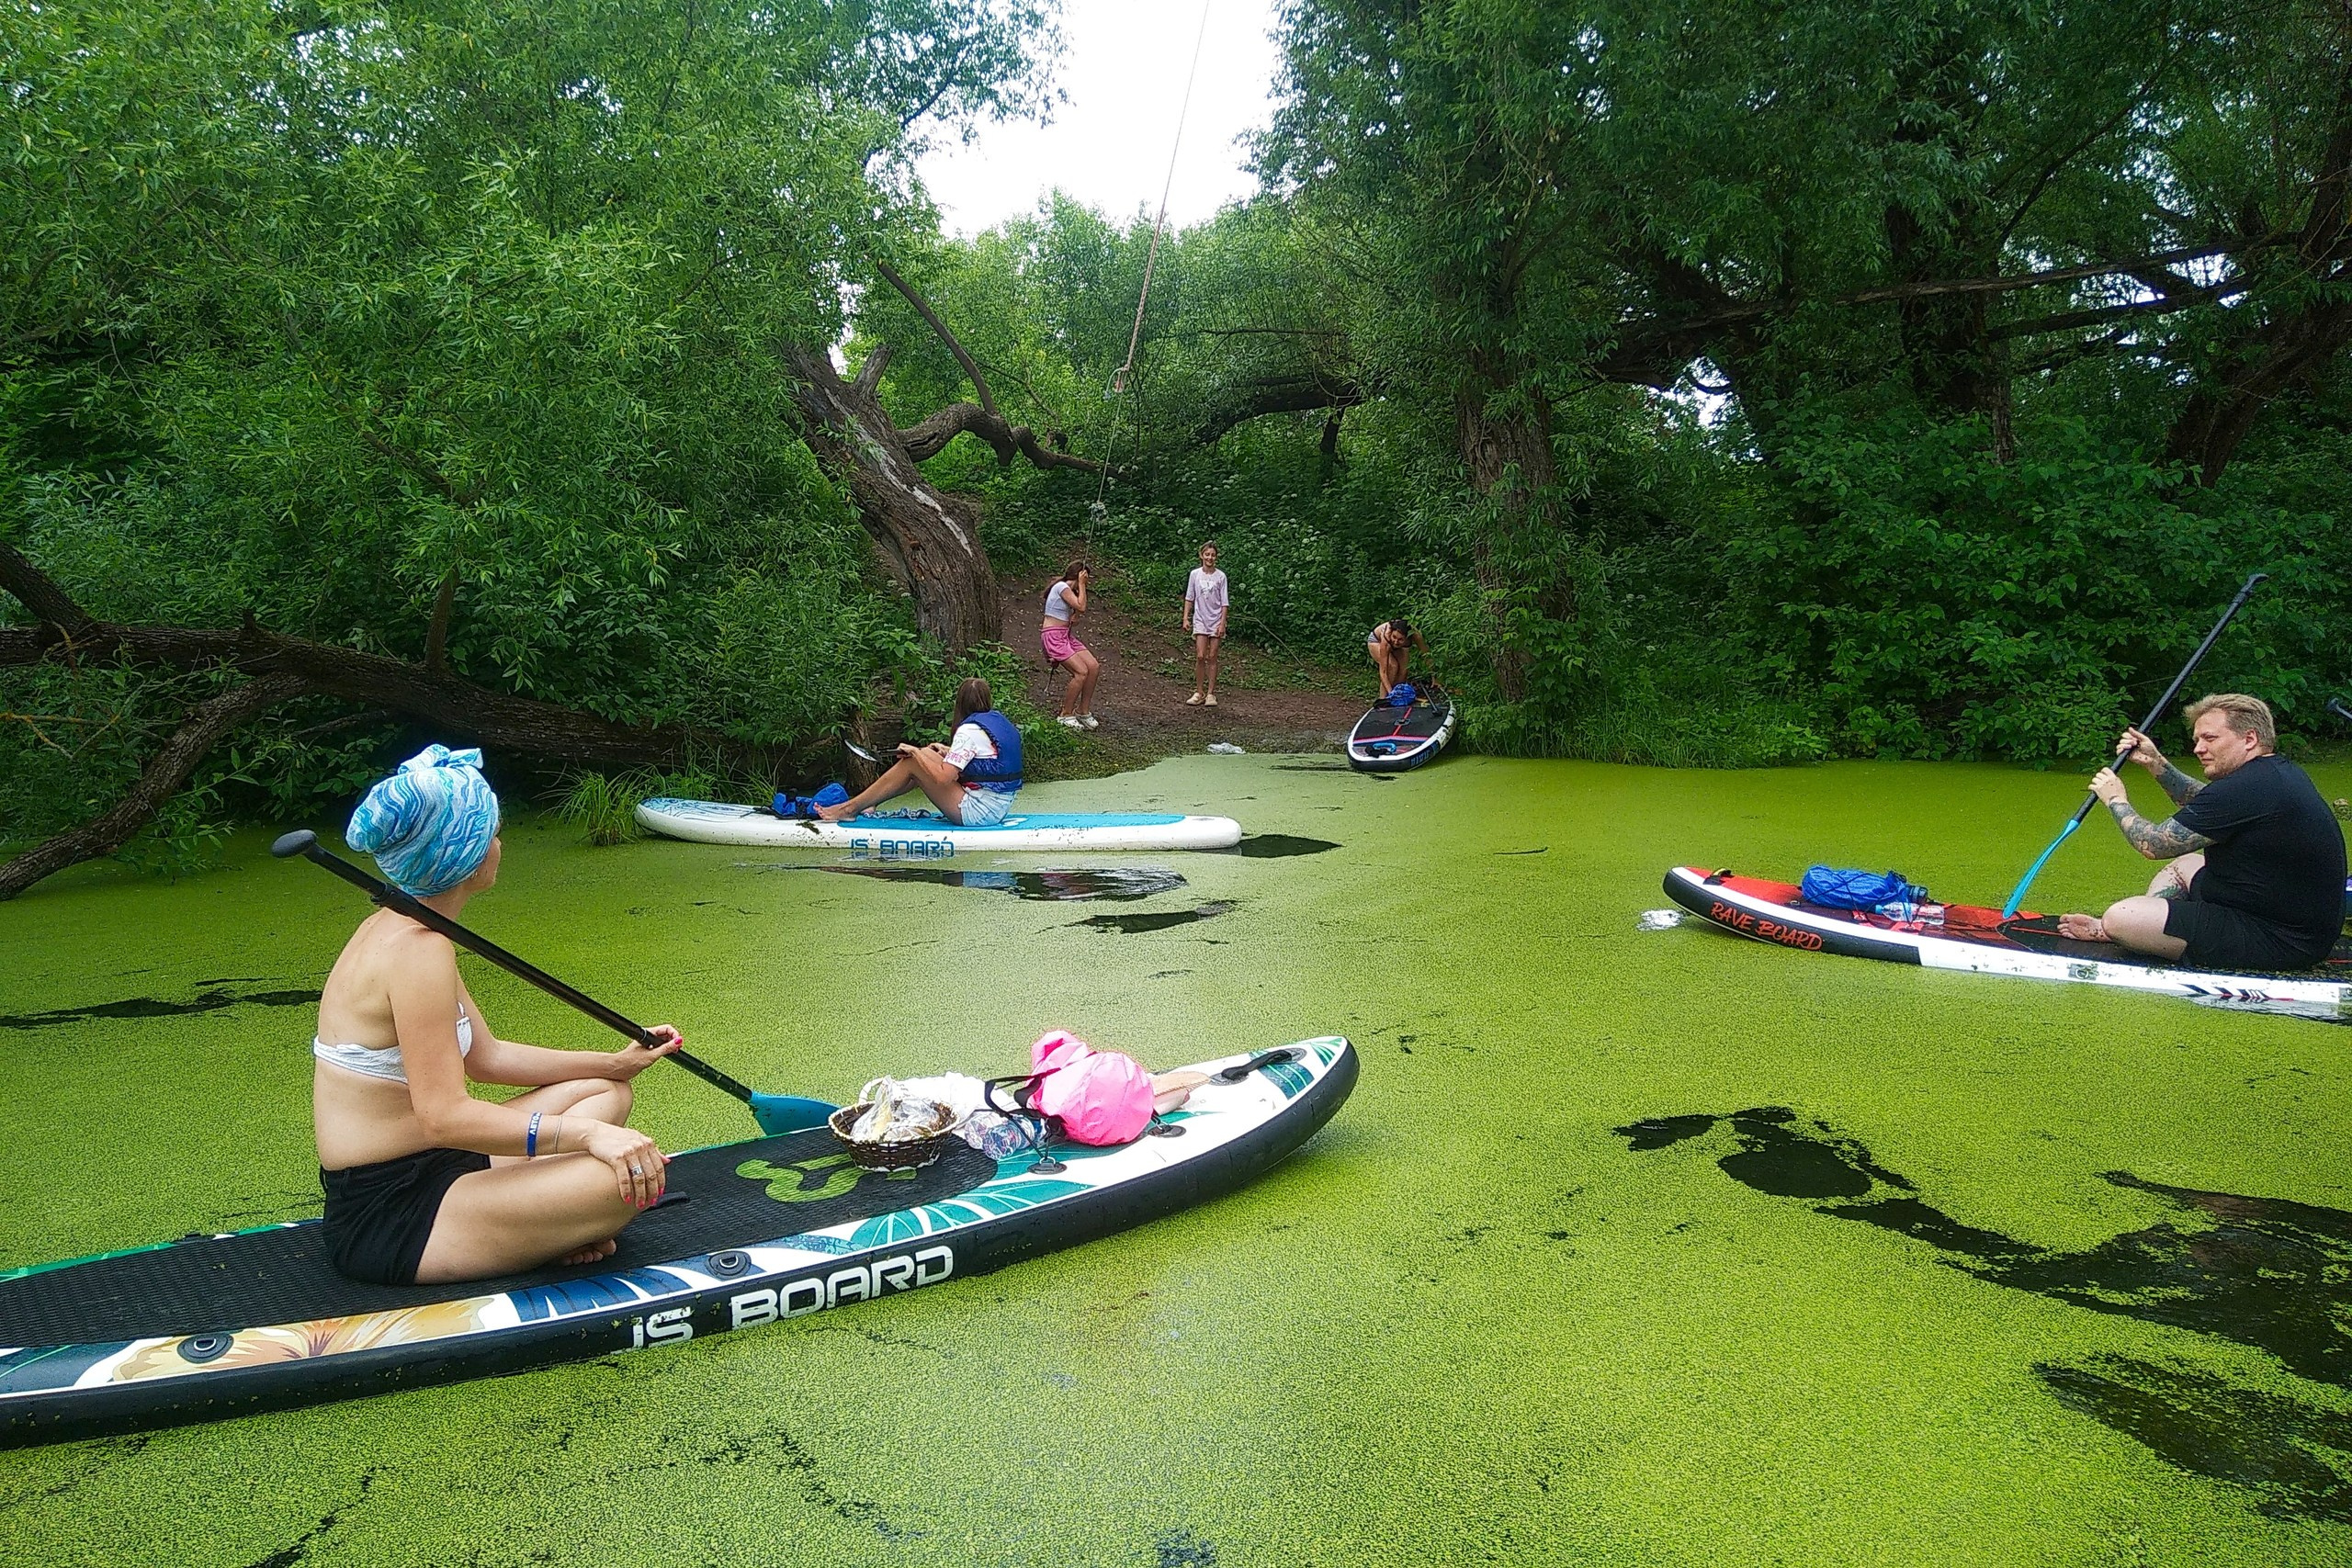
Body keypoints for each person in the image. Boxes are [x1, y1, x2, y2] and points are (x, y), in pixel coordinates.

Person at [315, 745, 684, 1286]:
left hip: (446, 1159)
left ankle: (544, 1227)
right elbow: (445, 1115)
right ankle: (546, 1231)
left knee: (605, 1092)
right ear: (460, 853)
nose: (499, 844)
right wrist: (587, 1138)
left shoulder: (415, 928)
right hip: (393, 1212)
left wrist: (613, 1062)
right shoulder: (416, 952)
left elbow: (486, 1059)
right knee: (623, 1181)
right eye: (490, 831)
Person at [2056, 694, 2347, 971]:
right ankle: (2150, 931)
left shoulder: (2249, 786)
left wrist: (2116, 799)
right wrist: (2157, 764)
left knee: (2120, 917)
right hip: (2261, 908)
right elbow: (2210, 804)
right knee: (2184, 866)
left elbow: (2153, 844)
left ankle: (2131, 930)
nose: (2198, 748)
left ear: (2249, 739)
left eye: (2210, 738)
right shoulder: (2270, 774)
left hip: (2278, 938)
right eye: (2197, 740)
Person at [818, 677, 1023, 826]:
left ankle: (848, 810)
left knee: (913, 762)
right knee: (927, 754)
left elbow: (943, 779)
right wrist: (943, 751)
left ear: (959, 704)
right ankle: (868, 805)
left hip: (979, 812)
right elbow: (984, 760)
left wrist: (916, 752)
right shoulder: (995, 722)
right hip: (998, 807)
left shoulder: (968, 730)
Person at [1041, 560, 1100, 730]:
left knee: (1093, 666)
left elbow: (1078, 609)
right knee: (1081, 672)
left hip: (1065, 635)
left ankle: (1083, 711)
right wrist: (1082, 585)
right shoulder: (1062, 587)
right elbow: (1081, 605)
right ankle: (1065, 714)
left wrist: (1076, 615)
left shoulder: (1069, 590)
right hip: (1054, 636)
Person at [1182, 541, 1230, 707]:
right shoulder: (1195, 574)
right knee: (1200, 655)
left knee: (1213, 656)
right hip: (1200, 619)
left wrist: (1222, 623)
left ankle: (1211, 693)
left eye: (1213, 555)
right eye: (1207, 554)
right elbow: (1190, 597)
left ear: (1216, 557)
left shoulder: (1221, 577)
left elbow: (1225, 602)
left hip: (1216, 619)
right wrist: (1186, 618)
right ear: (1201, 555)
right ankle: (1199, 691)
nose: (1210, 557)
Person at [1366, 617, 1426, 699]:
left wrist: (1435, 678)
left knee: (1404, 669)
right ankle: (1383, 698)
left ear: (1407, 638)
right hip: (1376, 641)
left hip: (1400, 646)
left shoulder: (1416, 636)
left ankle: (1399, 695)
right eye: (1394, 637)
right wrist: (1391, 692)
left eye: (1401, 639)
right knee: (1392, 666)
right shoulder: (1386, 637)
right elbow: (1383, 672)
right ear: (1391, 633)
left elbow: (1426, 654)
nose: (1396, 641)